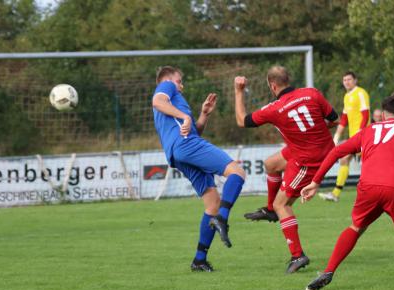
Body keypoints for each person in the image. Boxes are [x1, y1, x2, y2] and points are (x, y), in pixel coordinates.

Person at [301, 94, 394, 290]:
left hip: (368, 188)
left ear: (382, 116)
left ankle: (328, 271)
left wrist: (315, 182)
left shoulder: (368, 130)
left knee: (356, 227)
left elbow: (336, 151)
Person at [234, 66, 339, 273]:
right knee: (270, 164)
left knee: (282, 204)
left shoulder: (274, 108)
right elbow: (334, 119)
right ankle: (270, 210)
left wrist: (238, 91)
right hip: (320, 149)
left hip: (310, 159)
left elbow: (241, 120)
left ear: (273, 86)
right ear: (288, 80)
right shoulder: (312, 93)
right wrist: (313, 131)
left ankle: (297, 255)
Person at [152, 66, 246, 272]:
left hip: (179, 153)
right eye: (179, 80)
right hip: (185, 145)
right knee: (237, 172)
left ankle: (199, 260)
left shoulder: (175, 105)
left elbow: (195, 131)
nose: (181, 84)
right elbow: (157, 101)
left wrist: (203, 115)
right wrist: (185, 118)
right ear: (168, 80)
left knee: (212, 202)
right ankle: (222, 218)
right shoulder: (166, 88)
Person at [319, 71, 370, 202]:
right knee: (345, 160)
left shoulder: (361, 93)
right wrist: (336, 136)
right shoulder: (347, 96)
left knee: (369, 163)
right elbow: (344, 119)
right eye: (344, 80)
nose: (346, 82)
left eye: (349, 79)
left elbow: (365, 114)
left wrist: (360, 131)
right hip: (354, 136)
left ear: (355, 80)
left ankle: (338, 194)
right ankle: (335, 194)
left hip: (364, 135)